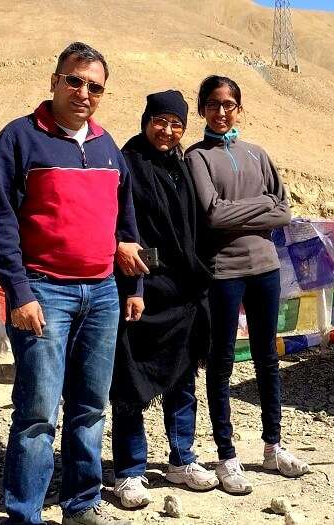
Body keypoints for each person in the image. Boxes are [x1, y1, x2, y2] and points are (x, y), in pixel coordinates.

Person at [0, 42, 146, 525]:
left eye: (95, 86)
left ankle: (80, 504)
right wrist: (20, 292)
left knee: (90, 407)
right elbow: (0, 223)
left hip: (101, 294)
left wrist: (132, 287)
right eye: (75, 80)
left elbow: (126, 224)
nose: (83, 92)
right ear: (54, 80)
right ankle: (24, 514)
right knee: (36, 413)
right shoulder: (18, 138)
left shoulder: (108, 146)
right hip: (43, 292)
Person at [185, 75, 310, 495]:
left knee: (266, 357)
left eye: (230, 104)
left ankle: (273, 447)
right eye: (214, 104)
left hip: (265, 268)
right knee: (221, 361)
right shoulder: (196, 157)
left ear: (240, 108)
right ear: (202, 108)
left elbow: (285, 213)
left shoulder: (258, 154)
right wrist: (262, 205)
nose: (223, 112)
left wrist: (248, 209)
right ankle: (226, 455)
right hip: (224, 271)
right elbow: (213, 216)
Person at [109, 90, 218, 509]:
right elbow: (118, 224)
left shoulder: (179, 166)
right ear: (146, 119)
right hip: (142, 290)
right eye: (160, 121)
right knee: (131, 381)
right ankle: (129, 472)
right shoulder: (126, 162)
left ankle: (181, 458)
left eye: (177, 125)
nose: (168, 131)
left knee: (182, 377)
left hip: (184, 291)